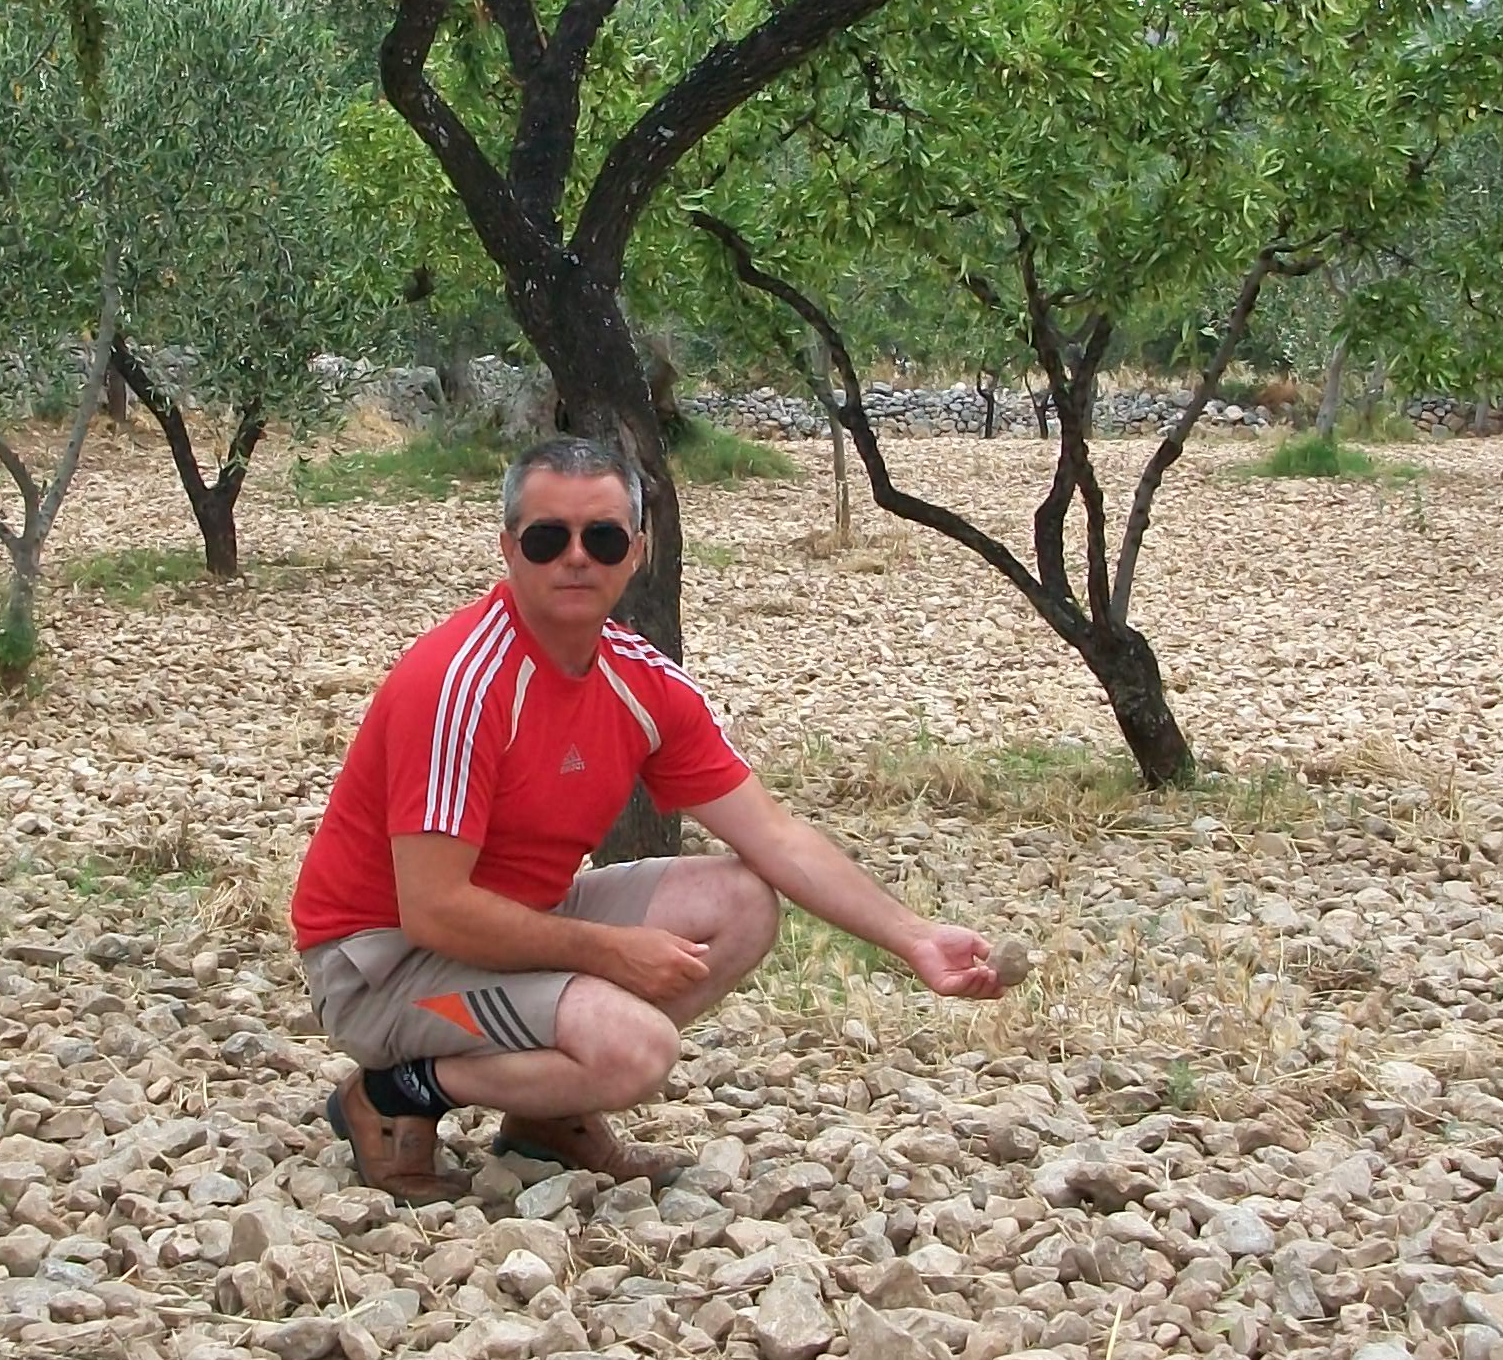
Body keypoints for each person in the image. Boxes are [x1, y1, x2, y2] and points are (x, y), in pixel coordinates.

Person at [290, 434, 1004, 1201]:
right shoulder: (460, 683)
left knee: (742, 902)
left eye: (601, 539)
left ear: (635, 551)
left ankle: (546, 1118)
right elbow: (433, 910)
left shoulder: (640, 679)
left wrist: (914, 937)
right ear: (508, 548)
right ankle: (393, 1095)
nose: (576, 559)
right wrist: (609, 952)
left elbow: (775, 836)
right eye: (547, 538)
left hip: (515, 922)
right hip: (384, 967)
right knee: (634, 1051)